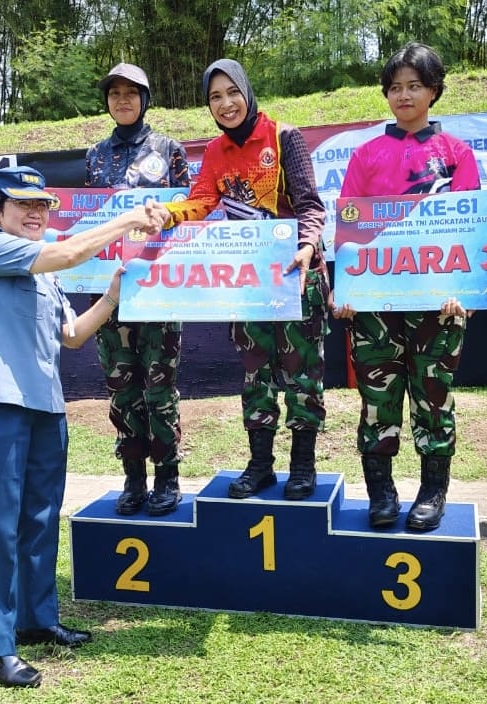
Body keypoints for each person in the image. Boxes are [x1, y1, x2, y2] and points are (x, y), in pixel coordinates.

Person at [0, 164, 165, 688]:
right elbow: (72, 253)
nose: (35, 213)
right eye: (22, 204)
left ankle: (36, 619)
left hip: (46, 407)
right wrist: (130, 220)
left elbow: (71, 336)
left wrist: (113, 296)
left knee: (40, 518)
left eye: (42, 205)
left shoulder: (44, 270)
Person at [157, 59, 329, 501]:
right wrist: (167, 214)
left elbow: (310, 205)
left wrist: (307, 245)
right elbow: (200, 202)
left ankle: (303, 466)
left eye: (232, 92)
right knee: (256, 376)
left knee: (302, 375)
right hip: (248, 281)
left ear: (247, 92)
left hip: (295, 276)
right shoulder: (215, 151)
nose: (226, 103)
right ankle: (260, 465)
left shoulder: (283, 136)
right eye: (215, 97)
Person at [330, 42, 481, 531]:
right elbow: (350, 232)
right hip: (375, 305)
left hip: (438, 303)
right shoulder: (366, 155)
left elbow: (473, 230)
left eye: (415, 85)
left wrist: (466, 291)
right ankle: (381, 492)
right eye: (395, 87)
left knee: (433, 399)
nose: (404, 95)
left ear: (434, 91)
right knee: (378, 400)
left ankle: (433, 493)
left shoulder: (457, 154)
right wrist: (344, 290)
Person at [85, 63, 190, 517]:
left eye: (131, 92)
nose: (122, 100)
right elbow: (88, 222)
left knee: (159, 389)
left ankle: (168, 477)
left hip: (159, 289)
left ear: (145, 99)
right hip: (110, 291)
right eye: (115, 93)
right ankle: (133, 478)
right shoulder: (94, 155)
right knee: (121, 388)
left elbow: (188, 214)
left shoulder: (169, 150)